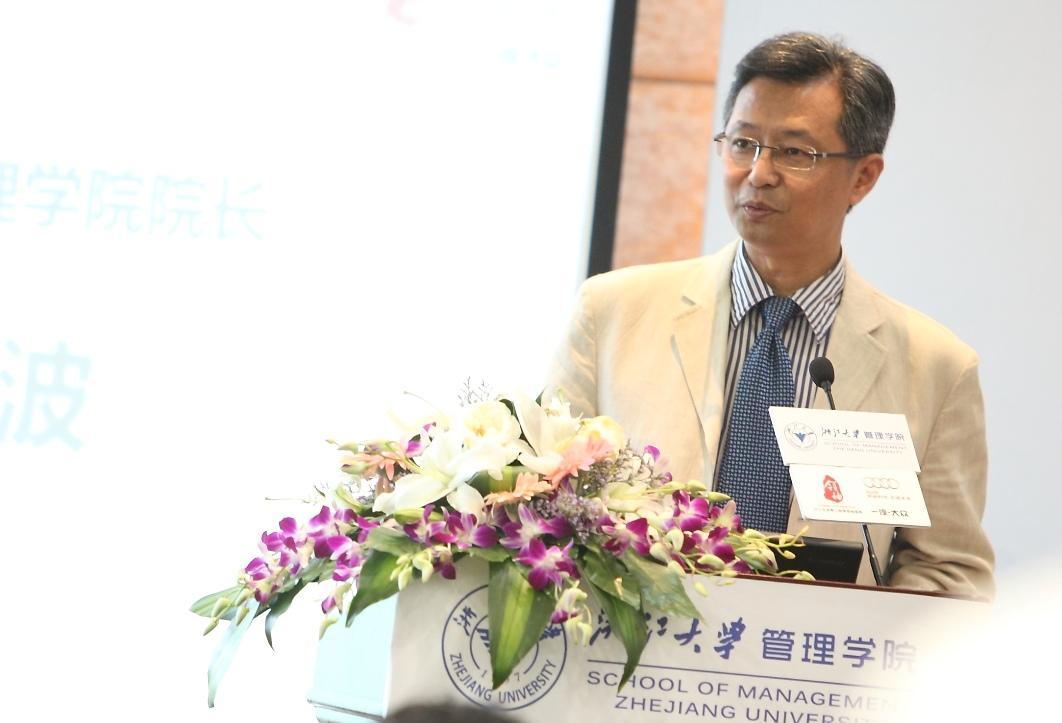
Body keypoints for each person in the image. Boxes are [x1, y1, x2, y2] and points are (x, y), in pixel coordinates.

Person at [545, 32, 994, 599]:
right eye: (743, 144)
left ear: (863, 176)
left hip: (816, 655)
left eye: (794, 152)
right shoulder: (611, 314)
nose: (758, 173)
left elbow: (950, 572)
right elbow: (543, 504)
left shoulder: (936, 369)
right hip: (641, 648)